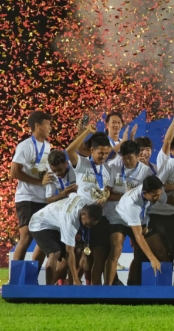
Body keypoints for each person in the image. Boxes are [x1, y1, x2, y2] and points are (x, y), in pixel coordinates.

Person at [65, 124, 112, 285]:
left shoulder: (107, 169)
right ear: (92, 150)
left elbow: (107, 189)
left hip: (98, 217)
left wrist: (105, 197)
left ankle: (95, 288)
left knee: (99, 254)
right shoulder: (82, 163)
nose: (104, 156)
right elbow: (70, 150)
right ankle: (71, 287)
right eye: (101, 153)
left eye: (106, 153)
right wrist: (86, 132)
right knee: (78, 253)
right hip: (81, 217)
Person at [149, 108, 174, 285]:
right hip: (159, 215)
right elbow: (167, 141)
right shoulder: (165, 161)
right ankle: (163, 287)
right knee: (164, 253)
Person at [104, 140, 154, 285]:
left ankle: (134, 284)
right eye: (124, 157)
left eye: (130, 158)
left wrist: (146, 221)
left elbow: (148, 199)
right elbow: (108, 194)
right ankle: (108, 288)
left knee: (141, 252)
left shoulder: (146, 172)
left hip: (135, 219)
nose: (126, 161)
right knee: (116, 249)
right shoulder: (114, 166)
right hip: (116, 217)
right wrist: (127, 196)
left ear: (138, 156)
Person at [106, 175, 169, 284]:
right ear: (145, 193)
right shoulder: (132, 204)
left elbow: (164, 199)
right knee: (116, 251)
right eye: (154, 196)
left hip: (139, 220)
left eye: (159, 194)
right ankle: (107, 288)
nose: (157, 198)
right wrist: (152, 259)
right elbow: (138, 236)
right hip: (119, 220)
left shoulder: (158, 190)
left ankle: (163, 291)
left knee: (160, 252)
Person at [29, 195, 102, 285]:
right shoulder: (71, 221)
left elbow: (72, 195)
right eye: (87, 224)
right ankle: (48, 289)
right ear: (83, 214)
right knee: (55, 252)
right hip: (39, 223)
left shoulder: (87, 200)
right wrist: (76, 279)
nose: (88, 227)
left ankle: (52, 285)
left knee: (64, 263)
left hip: (55, 224)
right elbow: (69, 251)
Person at [10, 111, 52, 263]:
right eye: (47, 124)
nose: (50, 128)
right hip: (27, 197)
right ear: (37, 125)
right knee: (26, 237)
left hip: (43, 198)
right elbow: (14, 172)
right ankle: (15, 280)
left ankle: (31, 278)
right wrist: (39, 182)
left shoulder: (48, 146)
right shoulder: (25, 146)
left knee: (43, 239)